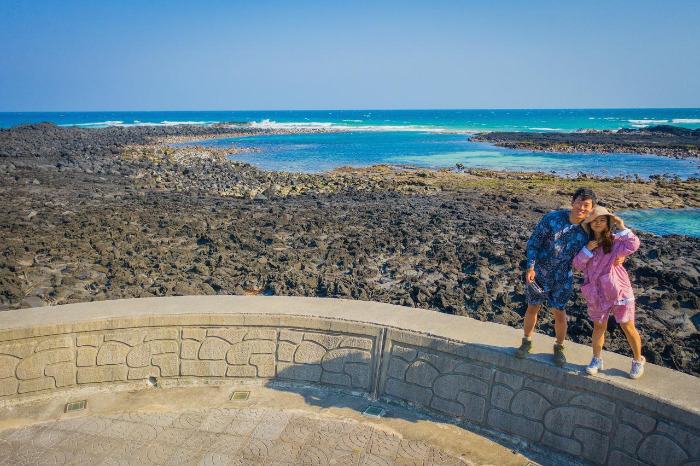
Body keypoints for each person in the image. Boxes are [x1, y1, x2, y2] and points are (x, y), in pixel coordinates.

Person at [514, 188, 596, 366]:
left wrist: (619, 257)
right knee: (532, 308)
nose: (581, 208)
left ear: (592, 208)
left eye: (586, 205)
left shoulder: (590, 229)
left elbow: (609, 244)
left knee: (560, 313)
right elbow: (534, 243)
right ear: (572, 202)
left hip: (563, 278)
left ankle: (559, 347)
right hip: (539, 274)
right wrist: (530, 267)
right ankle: (526, 342)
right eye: (579, 202)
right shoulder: (553, 218)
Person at [573, 206, 645, 379]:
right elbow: (577, 264)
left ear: (608, 223)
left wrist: (622, 226)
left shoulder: (615, 241)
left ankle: (638, 360)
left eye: (602, 220)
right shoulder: (586, 244)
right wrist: (587, 250)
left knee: (627, 326)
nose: (598, 223)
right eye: (594, 220)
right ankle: (596, 359)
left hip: (618, 290)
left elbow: (633, 244)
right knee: (599, 326)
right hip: (595, 293)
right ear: (589, 224)